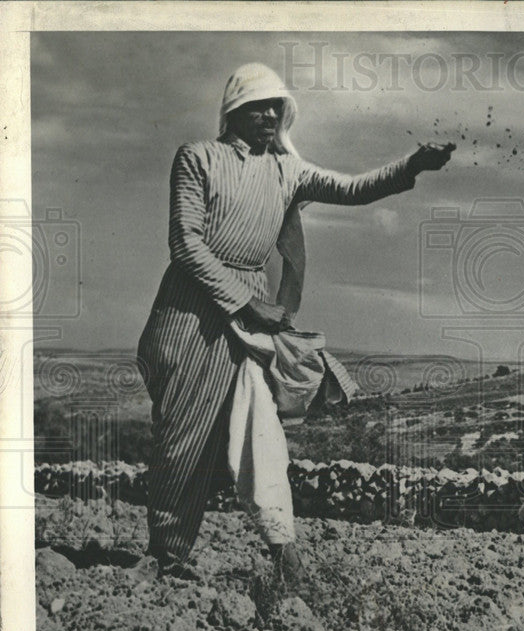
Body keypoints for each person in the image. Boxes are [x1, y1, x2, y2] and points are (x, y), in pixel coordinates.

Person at [135, 63, 452, 581]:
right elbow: (186, 242)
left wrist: (410, 165)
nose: (268, 114)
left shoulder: (287, 170)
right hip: (190, 312)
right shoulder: (198, 158)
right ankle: (166, 556)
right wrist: (244, 300)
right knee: (180, 434)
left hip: (248, 323)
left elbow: (354, 188)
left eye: (276, 106)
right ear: (233, 109)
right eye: (257, 105)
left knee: (255, 425)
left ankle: (283, 550)